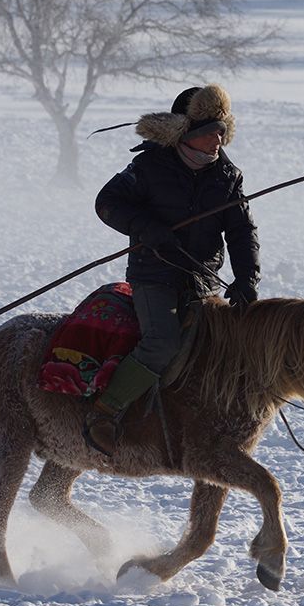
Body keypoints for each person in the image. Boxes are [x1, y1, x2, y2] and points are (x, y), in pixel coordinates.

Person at [84, 84, 261, 455]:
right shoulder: (149, 166)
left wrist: (246, 279)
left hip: (202, 281)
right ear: (186, 132)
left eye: (222, 131)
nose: (218, 139)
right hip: (155, 275)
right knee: (162, 342)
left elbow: (242, 232)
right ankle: (105, 412)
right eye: (210, 132)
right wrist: (147, 229)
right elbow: (107, 203)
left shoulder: (228, 176)